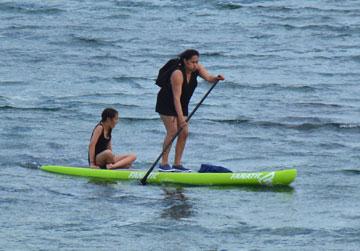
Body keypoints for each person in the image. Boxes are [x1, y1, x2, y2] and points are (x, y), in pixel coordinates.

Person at [155, 49, 225, 172]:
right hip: (167, 102)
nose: (195, 65)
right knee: (172, 131)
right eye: (193, 62)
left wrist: (216, 78)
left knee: (184, 132)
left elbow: (209, 78)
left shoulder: (196, 68)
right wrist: (181, 118)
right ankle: (164, 163)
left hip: (182, 103)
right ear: (185, 61)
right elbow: (176, 98)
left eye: (197, 62)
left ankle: (177, 164)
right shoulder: (177, 73)